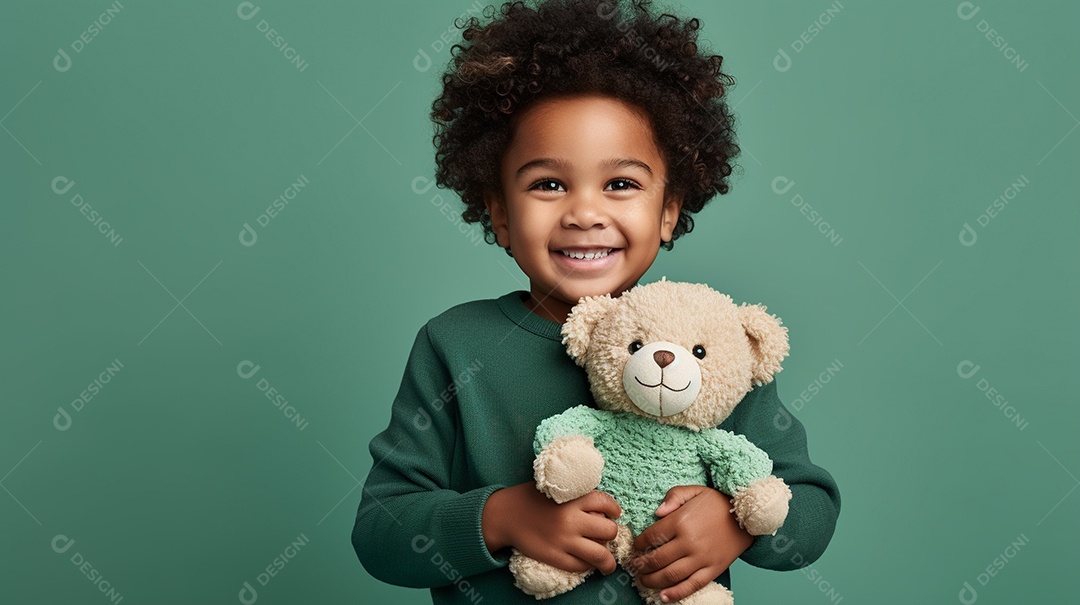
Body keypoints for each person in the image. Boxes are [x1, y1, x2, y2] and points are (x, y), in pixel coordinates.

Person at [352, 1, 840, 603]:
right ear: (500, 212)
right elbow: (380, 532)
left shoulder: (715, 349)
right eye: (548, 184)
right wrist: (501, 518)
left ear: (668, 211)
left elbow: (811, 509)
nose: (585, 212)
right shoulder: (454, 344)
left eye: (621, 184)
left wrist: (736, 524)